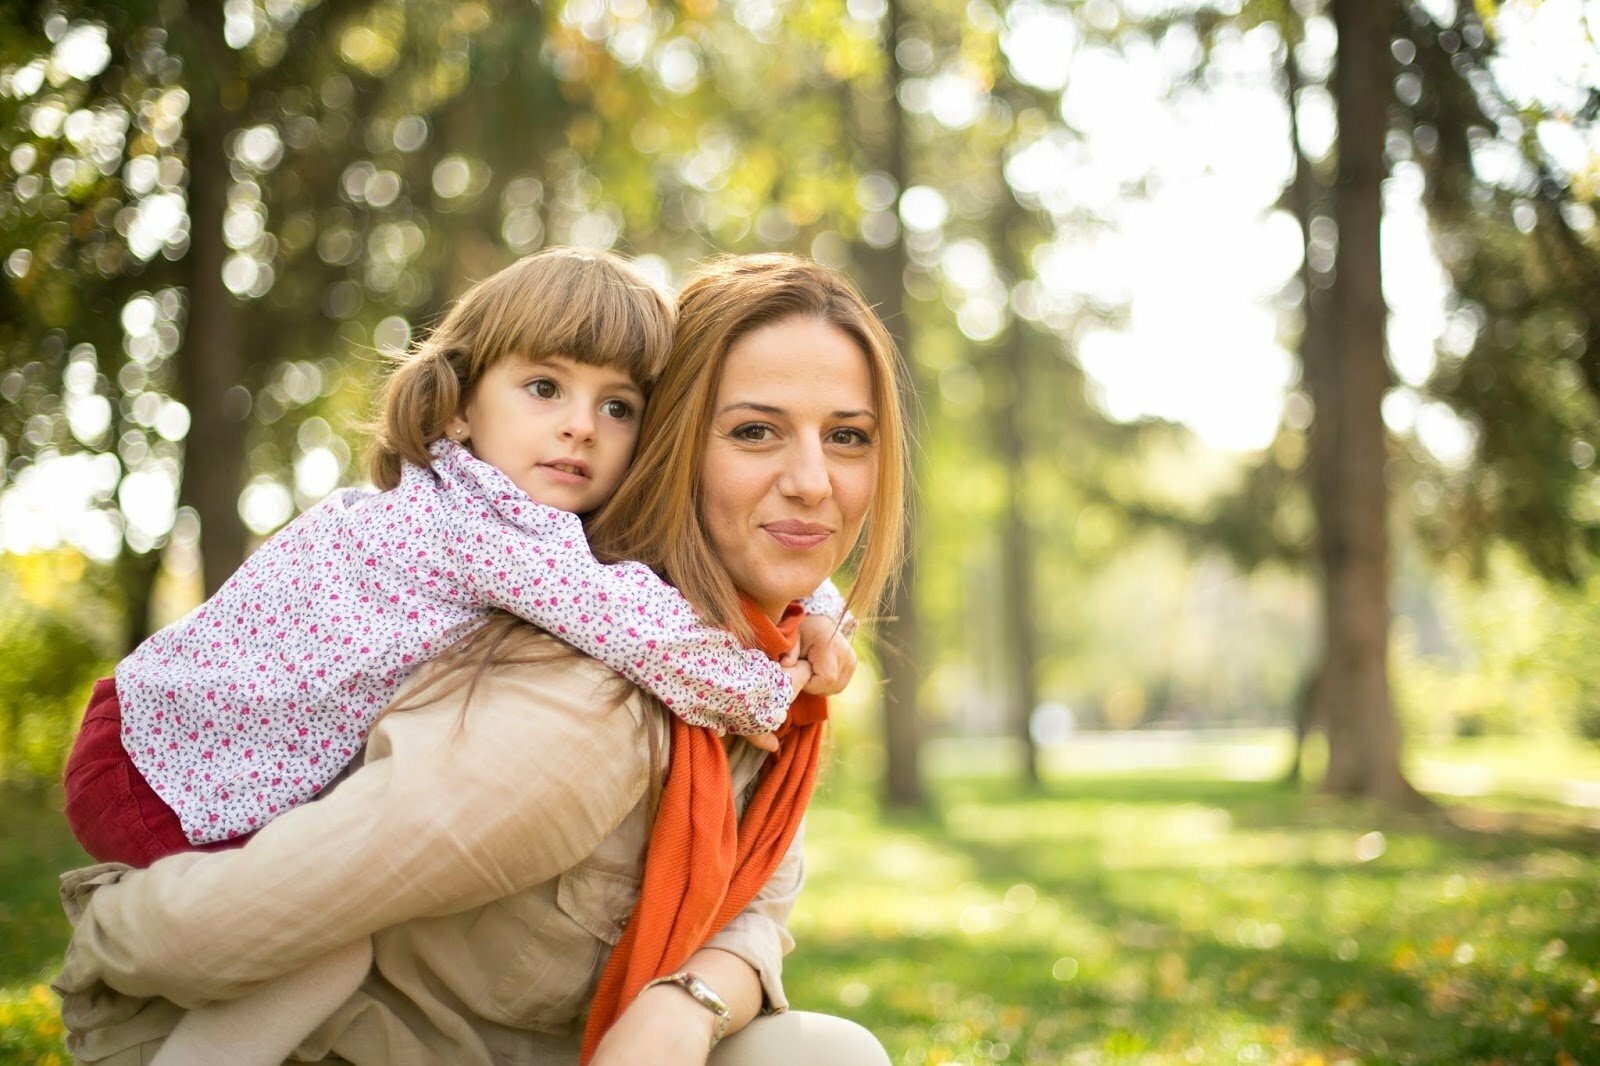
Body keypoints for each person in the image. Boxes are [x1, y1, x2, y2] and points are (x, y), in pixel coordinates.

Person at [53, 252, 906, 1066]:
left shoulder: (736, 629)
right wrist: (769, 683)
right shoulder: (597, 668)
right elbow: (239, 916)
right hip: (316, 980)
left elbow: (754, 903)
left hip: (533, 1037)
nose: (811, 482)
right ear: (678, 446)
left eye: (849, 437)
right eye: (756, 431)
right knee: (318, 958)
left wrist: (688, 1005)